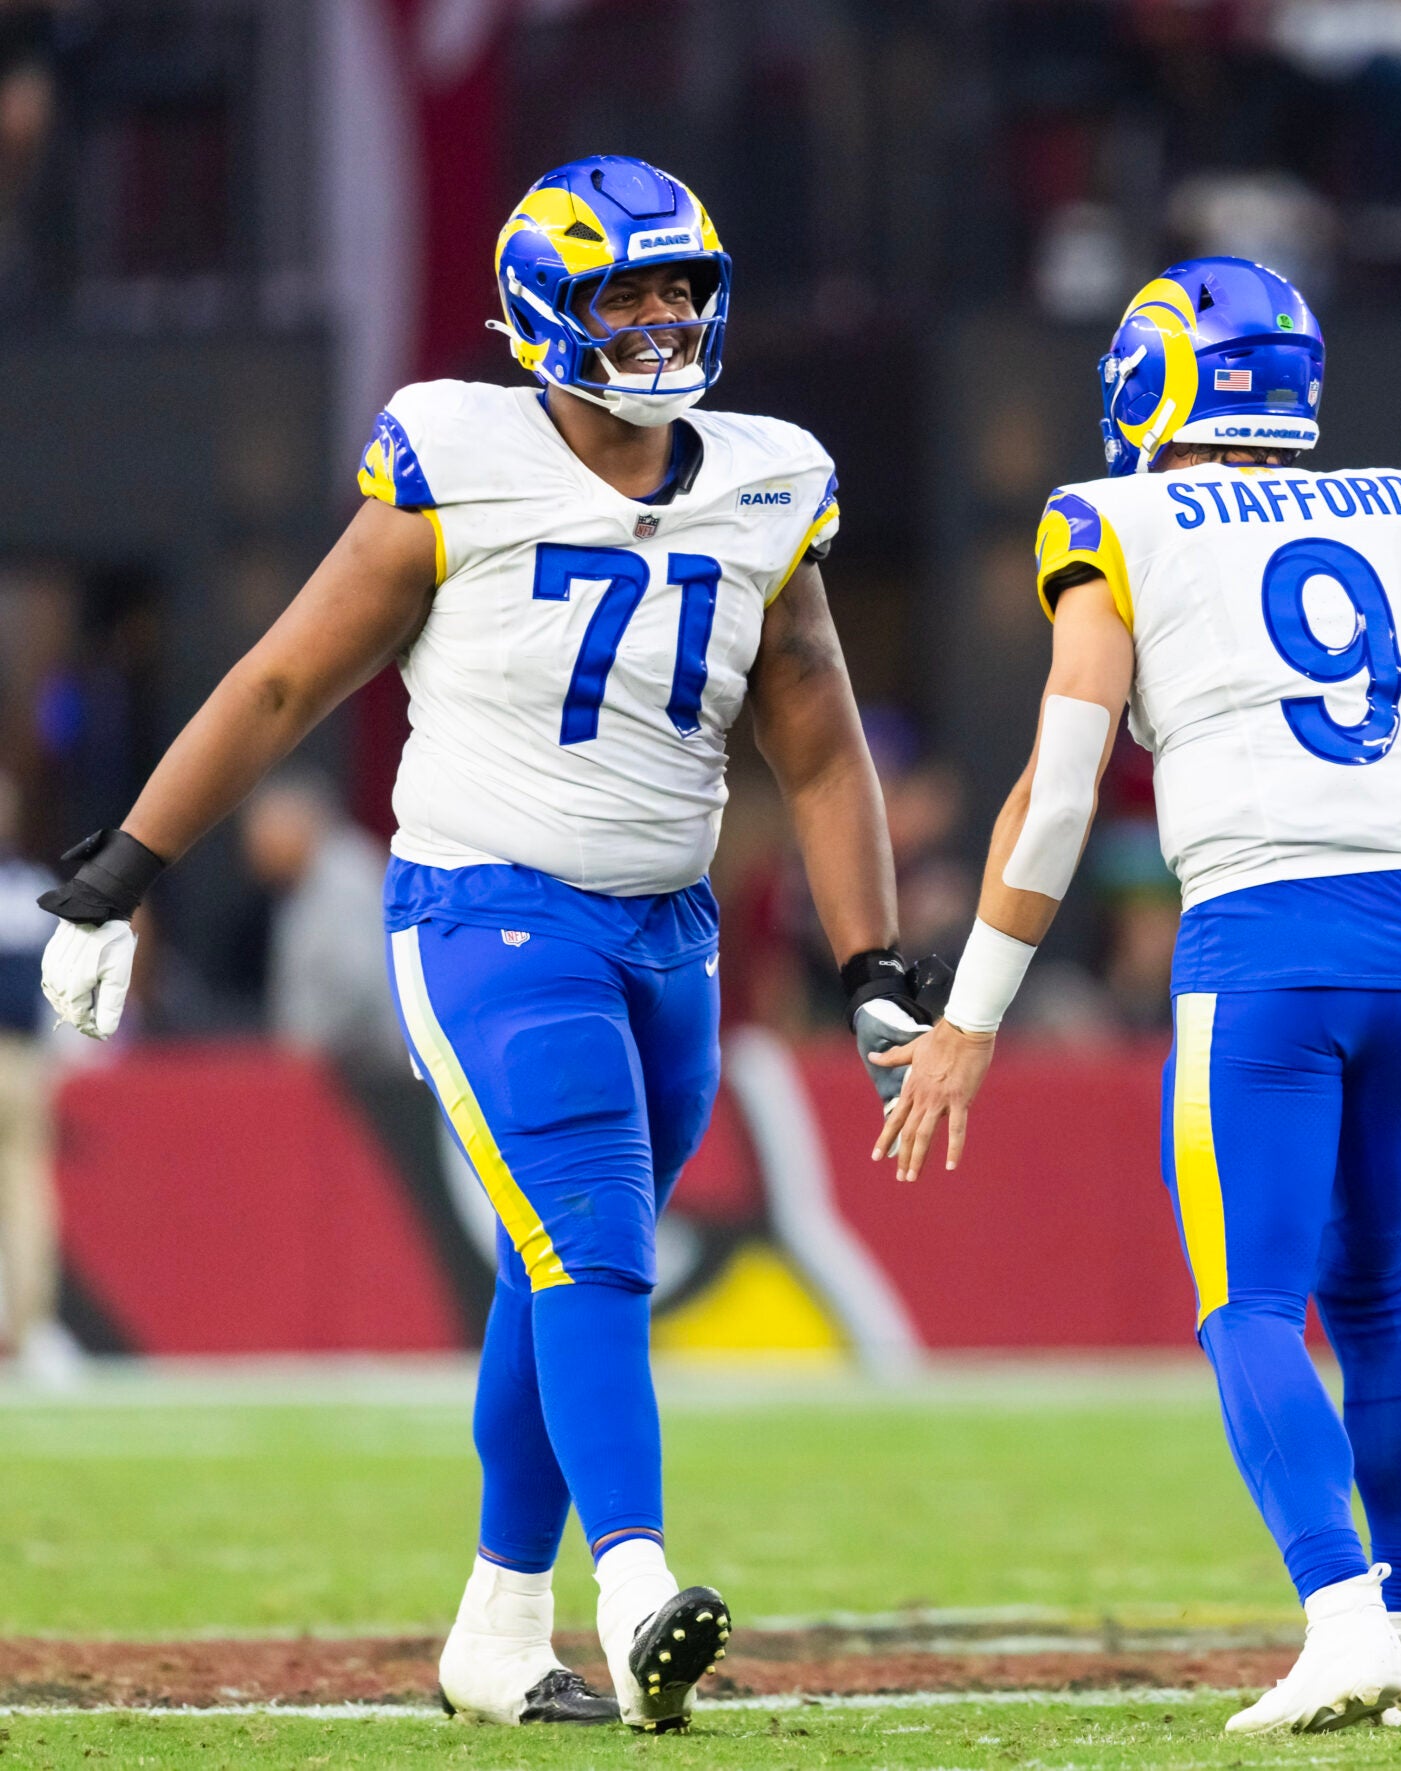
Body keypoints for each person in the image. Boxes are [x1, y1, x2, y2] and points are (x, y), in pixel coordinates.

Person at [33, 155, 926, 1731]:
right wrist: (122, 867)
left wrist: (868, 961)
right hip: (490, 910)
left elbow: (822, 736)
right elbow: (282, 681)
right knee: (592, 1231)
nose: (661, 321)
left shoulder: (767, 479)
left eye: (681, 289)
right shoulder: (461, 453)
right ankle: (638, 1573)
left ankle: (497, 1631)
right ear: (543, 314)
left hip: (672, 931)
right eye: (626, 293)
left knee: (554, 1262)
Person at [875, 258, 1401, 1734]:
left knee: (1250, 1307)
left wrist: (969, 1013)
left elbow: (1064, 785)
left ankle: (1340, 1614)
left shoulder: (1118, 518)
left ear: (1153, 384)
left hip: (1266, 936)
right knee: (1381, 1290)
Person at [239, 775, 406, 1068]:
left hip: (364, 1074)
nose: (254, 852)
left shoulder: (346, 880)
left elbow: (362, 984)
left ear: (293, 826)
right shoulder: (303, 880)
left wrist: (314, 1045)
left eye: (261, 837)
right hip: (331, 1071)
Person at [0, 772, 76, 1385]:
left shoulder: (33, 888)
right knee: (26, 1196)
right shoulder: (32, 890)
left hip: (21, 1060)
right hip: (21, 1058)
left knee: (28, 1196)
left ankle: (29, 1326)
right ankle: (31, 1327)